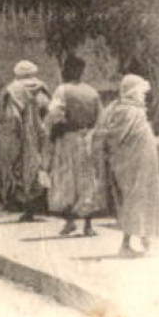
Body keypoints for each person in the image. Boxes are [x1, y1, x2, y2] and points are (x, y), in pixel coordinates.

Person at [94, 74, 159, 257]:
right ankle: (127, 244)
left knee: (141, 199)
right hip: (133, 164)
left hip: (141, 163)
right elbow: (114, 136)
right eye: (140, 92)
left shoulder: (121, 108)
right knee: (135, 200)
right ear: (132, 92)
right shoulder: (128, 111)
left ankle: (145, 239)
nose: (143, 96)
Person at [48, 54, 107, 237]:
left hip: (69, 140)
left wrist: (54, 128)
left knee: (67, 181)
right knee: (87, 180)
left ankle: (70, 221)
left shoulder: (62, 90)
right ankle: (88, 225)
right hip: (88, 139)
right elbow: (101, 118)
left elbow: (54, 114)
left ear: (69, 70)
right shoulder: (92, 91)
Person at [0, 60, 52, 217]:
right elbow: (49, 110)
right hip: (42, 135)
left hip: (23, 136)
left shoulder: (13, 91)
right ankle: (40, 204)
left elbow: (12, 118)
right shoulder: (42, 89)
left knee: (21, 169)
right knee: (41, 166)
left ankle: (28, 208)